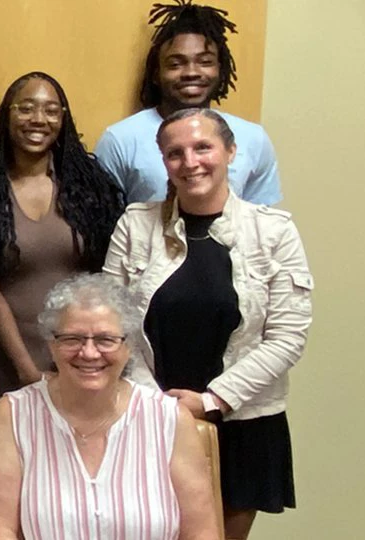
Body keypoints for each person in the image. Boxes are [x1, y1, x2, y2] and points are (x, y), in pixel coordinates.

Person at [104, 108, 313, 539]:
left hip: (244, 423)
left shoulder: (273, 232)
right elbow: (112, 323)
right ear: (164, 162)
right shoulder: (135, 224)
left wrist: (211, 400)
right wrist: (160, 406)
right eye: (175, 153)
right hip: (149, 417)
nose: (190, 161)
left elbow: (287, 338)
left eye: (203, 147)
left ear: (230, 152)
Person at [0, 274, 220, 540]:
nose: (89, 353)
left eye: (106, 339)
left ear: (128, 346)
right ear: (52, 344)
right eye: (72, 339)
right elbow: (0, 530)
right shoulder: (14, 415)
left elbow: (201, 533)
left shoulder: (169, 419)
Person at [0, 72, 125, 394]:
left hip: (86, 356)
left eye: (51, 110)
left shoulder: (90, 186)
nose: (38, 119)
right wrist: (26, 370)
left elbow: (108, 277)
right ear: (7, 115)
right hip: (13, 360)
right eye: (26, 108)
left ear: (63, 118)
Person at [95, 1, 281, 206]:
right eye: (176, 64)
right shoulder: (120, 140)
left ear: (221, 69)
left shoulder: (253, 139)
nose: (191, 72)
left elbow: (263, 224)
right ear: (156, 73)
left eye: (205, 62)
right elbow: (103, 224)